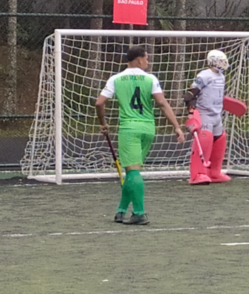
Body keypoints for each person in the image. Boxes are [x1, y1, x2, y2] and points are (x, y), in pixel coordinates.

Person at [96, 45, 185, 225]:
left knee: (133, 171)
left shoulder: (116, 79)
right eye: (146, 58)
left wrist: (103, 123)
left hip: (129, 129)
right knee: (132, 172)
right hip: (148, 129)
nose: (148, 62)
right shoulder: (150, 79)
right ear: (138, 59)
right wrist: (176, 126)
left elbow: (99, 103)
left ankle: (139, 213)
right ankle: (121, 211)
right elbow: (162, 103)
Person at [184, 50, 233, 185]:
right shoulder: (204, 76)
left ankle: (214, 172)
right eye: (221, 61)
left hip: (217, 114)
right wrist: (191, 112)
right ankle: (198, 173)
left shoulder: (221, 76)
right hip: (205, 114)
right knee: (205, 140)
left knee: (220, 139)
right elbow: (191, 93)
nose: (224, 64)